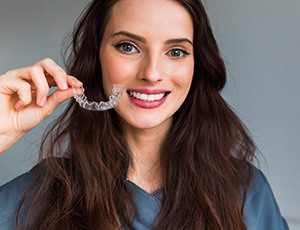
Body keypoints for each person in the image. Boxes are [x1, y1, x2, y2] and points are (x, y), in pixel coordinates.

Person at [0, 0, 289, 229]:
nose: (151, 73)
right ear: (96, 55)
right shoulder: (42, 193)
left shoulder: (246, 192)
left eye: (176, 52)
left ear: (196, 65)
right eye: (128, 46)